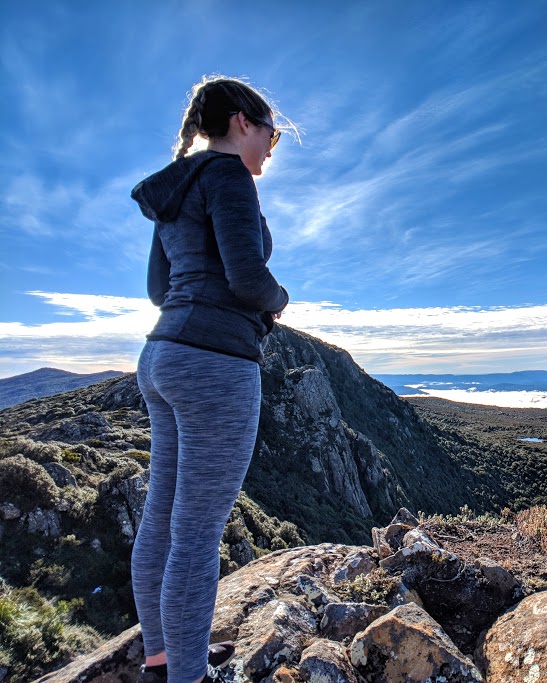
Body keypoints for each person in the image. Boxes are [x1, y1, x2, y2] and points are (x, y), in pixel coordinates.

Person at [129, 76, 290, 683]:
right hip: (215, 362)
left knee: (163, 518)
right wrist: (279, 298)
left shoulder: (178, 185)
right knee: (196, 531)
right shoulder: (227, 177)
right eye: (270, 128)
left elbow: (154, 290)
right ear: (242, 123)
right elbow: (249, 278)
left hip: (162, 356)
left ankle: (163, 658)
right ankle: (189, 677)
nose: (273, 142)